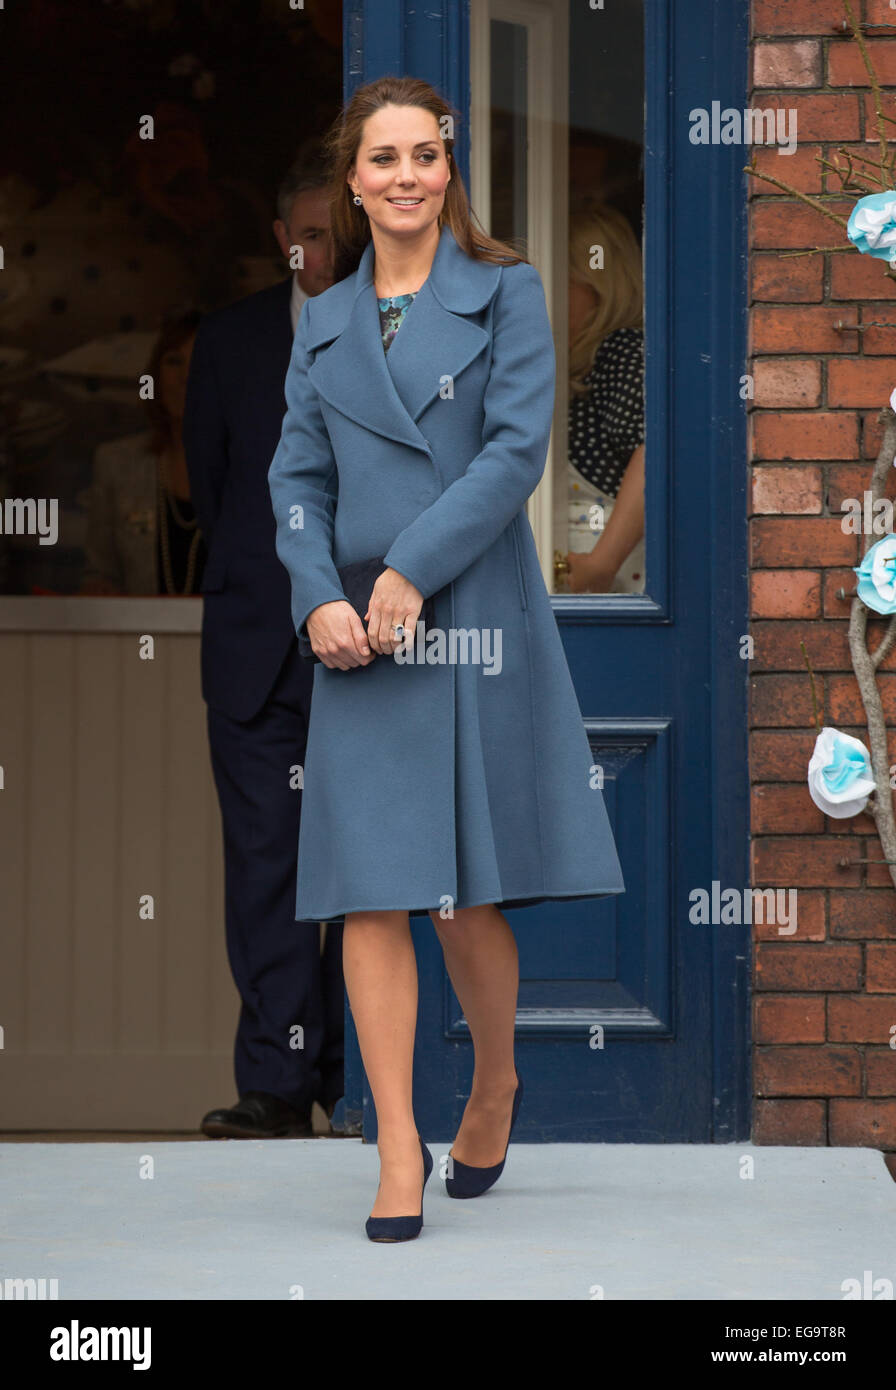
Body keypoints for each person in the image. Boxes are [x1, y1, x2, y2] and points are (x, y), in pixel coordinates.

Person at [268, 76, 625, 1241]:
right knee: (370, 898)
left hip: (462, 615)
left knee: (463, 898)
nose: (405, 177)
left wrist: (409, 570)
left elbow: (515, 451)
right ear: (352, 179)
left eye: (424, 155)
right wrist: (317, 593)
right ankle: (396, 1148)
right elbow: (295, 481)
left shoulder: (508, 291)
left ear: (447, 166)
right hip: (358, 639)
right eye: (382, 160)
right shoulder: (319, 318)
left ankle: (493, 1084)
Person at [183, 146, 344, 1140]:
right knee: (265, 871)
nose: (326, 250)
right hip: (255, 650)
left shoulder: (393, 333)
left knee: (373, 867)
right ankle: (278, 1090)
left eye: (343, 231)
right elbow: (214, 490)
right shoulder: (231, 341)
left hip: (366, 645)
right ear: (281, 240)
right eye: (313, 231)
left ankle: (352, 1075)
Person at [81, 310, 207, 595]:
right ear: (155, 378)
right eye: (174, 361)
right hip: (140, 636)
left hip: (230, 637)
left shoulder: (254, 466)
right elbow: (100, 573)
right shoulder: (117, 462)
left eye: (201, 360)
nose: (186, 376)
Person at [563, 205, 646, 594]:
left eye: (563, 280)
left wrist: (601, 564)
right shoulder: (582, 363)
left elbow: (650, 453)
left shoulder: (621, 351)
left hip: (611, 586)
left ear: (599, 287)